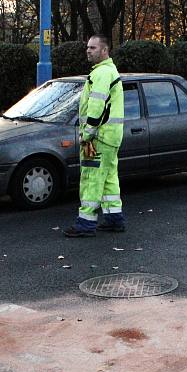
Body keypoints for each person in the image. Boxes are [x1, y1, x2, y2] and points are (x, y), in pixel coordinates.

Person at [63, 35, 125, 237]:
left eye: (93, 47)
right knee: (109, 178)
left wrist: (87, 135)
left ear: (104, 50)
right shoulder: (109, 71)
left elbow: (96, 106)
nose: (88, 51)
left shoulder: (101, 74)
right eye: (87, 47)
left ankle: (86, 223)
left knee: (91, 178)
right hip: (111, 137)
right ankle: (114, 219)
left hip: (99, 136)